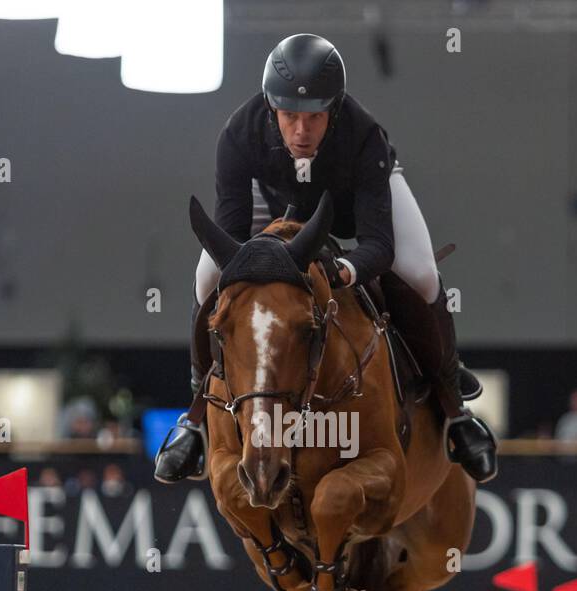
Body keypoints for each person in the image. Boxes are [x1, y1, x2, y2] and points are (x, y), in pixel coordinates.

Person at [154, 33, 497, 485]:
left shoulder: (363, 134)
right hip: (275, 202)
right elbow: (233, 232)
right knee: (206, 279)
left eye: (314, 117)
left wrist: (345, 269)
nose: (301, 131)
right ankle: (197, 416)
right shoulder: (239, 135)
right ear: (269, 107)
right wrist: (253, 265)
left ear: (332, 111)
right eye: (290, 116)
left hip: (355, 205)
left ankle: (454, 408)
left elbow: (379, 244)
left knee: (421, 275)